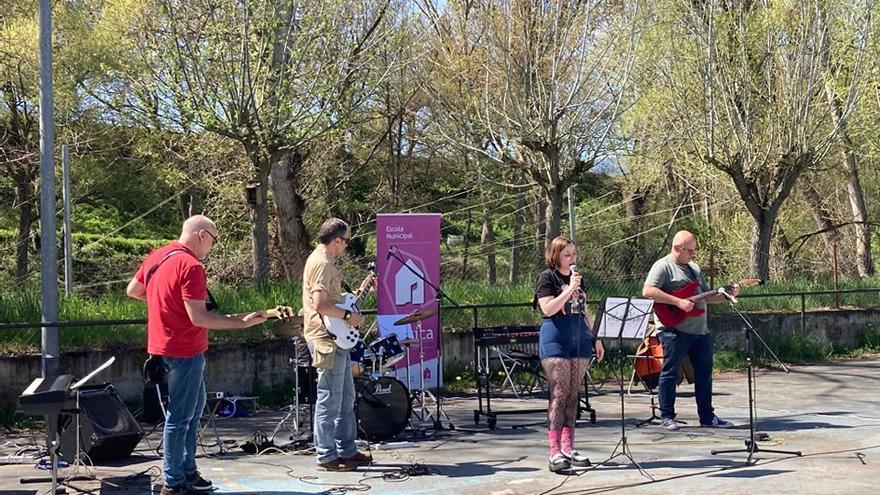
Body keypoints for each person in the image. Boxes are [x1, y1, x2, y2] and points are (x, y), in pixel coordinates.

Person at [127, 215, 269, 495]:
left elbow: (134, 290)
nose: (213, 247)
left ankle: (187, 471)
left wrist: (166, 305)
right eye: (214, 240)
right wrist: (241, 323)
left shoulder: (158, 255)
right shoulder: (191, 266)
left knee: (192, 412)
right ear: (202, 234)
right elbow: (199, 318)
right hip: (185, 350)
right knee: (180, 417)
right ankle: (173, 481)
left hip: (163, 346)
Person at [642, 230, 738, 431]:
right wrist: (677, 301)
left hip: (700, 330)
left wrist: (726, 295)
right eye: (689, 251)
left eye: (694, 251)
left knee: (704, 373)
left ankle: (707, 416)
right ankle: (667, 416)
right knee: (670, 372)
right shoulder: (663, 267)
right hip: (674, 329)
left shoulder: (694, 268)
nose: (692, 255)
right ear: (677, 248)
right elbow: (648, 291)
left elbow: (705, 296)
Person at [302, 218, 375, 472]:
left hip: (334, 337)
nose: (346, 246)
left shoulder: (327, 262)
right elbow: (320, 304)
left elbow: (335, 300)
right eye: (345, 241)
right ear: (336, 240)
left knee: (345, 397)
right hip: (325, 338)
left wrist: (360, 291)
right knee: (330, 397)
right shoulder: (322, 264)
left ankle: (347, 449)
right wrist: (348, 317)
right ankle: (326, 454)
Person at [535, 236, 605, 473]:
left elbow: (585, 310)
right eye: (567, 254)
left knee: (573, 394)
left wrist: (597, 337)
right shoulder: (548, 277)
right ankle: (554, 450)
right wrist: (570, 289)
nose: (572, 259)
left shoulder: (579, 279)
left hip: (579, 338)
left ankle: (568, 446)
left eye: (574, 254)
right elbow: (547, 308)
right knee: (559, 393)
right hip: (556, 337)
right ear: (556, 256)